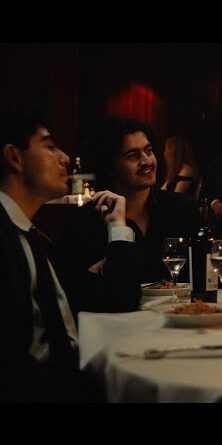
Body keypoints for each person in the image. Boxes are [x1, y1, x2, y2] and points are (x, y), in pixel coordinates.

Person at [0, 105, 133, 401]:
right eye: (49, 147)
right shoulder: (7, 240)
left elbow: (119, 297)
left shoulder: (37, 242)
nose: (65, 158)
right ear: (14, 157)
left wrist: (117, 227)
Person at [58, 117, 201, 294]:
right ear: (110, 167)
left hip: (178, 310)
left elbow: (200, 277)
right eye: (132, 156)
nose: (146, 161)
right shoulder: (83, 222)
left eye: (148, 151)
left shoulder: (182, 208)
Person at [160, 134, 201, 199]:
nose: (164, 154)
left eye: (166, 150)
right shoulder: (176, 169)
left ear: (173, 152)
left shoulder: (186, 170)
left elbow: (176, 197)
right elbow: (162, 190)